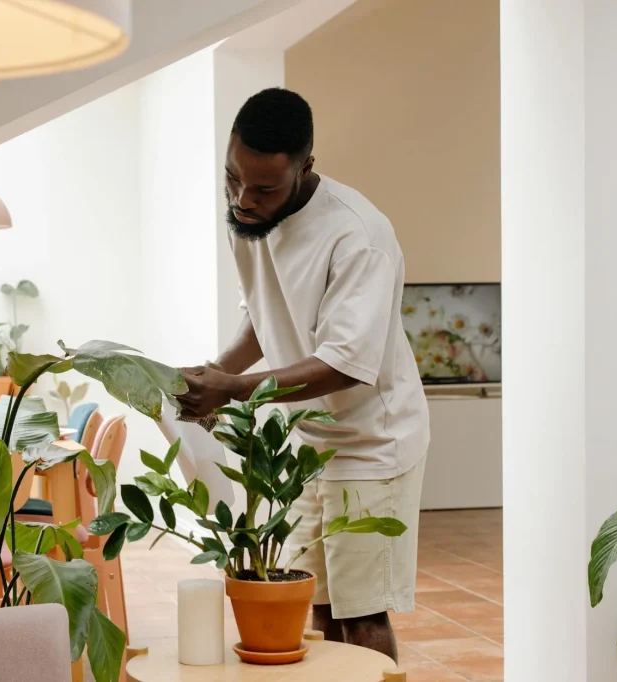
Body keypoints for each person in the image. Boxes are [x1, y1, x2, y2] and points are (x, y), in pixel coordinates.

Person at [177, 88, 429, 662]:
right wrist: (215, 375)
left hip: (372, 445)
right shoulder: (251, 215)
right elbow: (267, 314)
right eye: (232, 179)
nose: (243, 200)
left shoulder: (358, 235)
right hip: (308, 442)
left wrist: (238, 390)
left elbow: (346, 363)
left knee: (360, 614)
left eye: (263, 189)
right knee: (313, 603)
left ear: (305, 168)